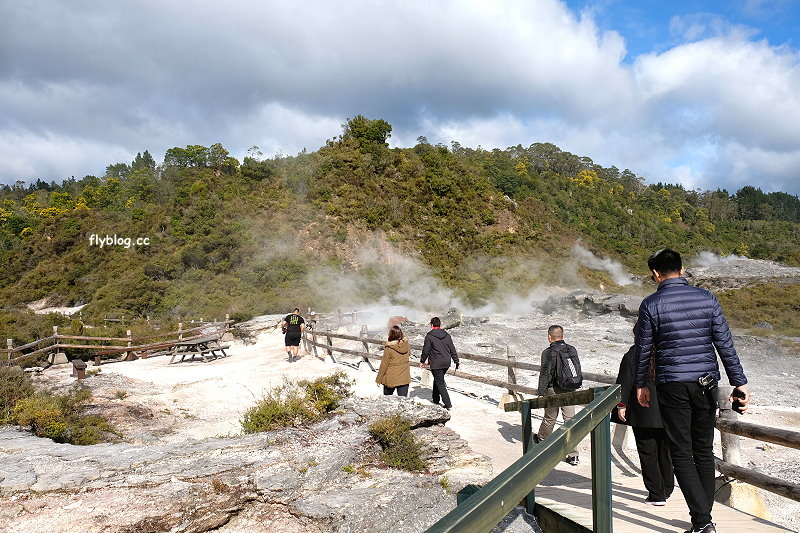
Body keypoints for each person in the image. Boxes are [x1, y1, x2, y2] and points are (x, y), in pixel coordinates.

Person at [634, 249, 750, 533]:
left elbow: (643, 349)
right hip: (705, 384)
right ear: (683, 269)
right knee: (702, 449)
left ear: (655, 274)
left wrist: (639, 384)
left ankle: (702, 521)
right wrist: (739, 381)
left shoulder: (651, 304)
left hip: (671, 384)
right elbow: (724, 343)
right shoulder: (707, 298)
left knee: (682, 452)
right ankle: (704, 517)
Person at [615, 338, 674, 505]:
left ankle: (657, 494)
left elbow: (624, 382)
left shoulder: (633, 354)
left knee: (648, 452)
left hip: (643, 411)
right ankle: (667, 488)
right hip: (667, 410)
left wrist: (621, 405)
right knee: (665, 450)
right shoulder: (666, 352)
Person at [535, 325, 581, 466]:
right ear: (563, 336)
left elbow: (545, 374)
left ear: (549, 337)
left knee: (550, 417)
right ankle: (573, 455)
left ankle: (543, 444)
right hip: (570, 388)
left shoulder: (548, 352)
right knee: (570, 420)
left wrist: (541, 393)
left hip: (553, 389)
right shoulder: (572, 349)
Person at [420, 317, 459, 409]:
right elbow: (452, 348)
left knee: (440, 382)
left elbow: (426, 350)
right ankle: (435, 398)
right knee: (438, 379)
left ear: (432, 325)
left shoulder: (429, 336)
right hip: (446, 362)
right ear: (440, 325)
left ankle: (447, 403)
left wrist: (422, 361)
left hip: (436, 363)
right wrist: (456, 360)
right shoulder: (447, 335)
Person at [376, 325, 411, 396]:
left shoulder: (389, 348)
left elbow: (384, 364)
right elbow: (409, 354)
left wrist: (379, 379)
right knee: (403, 402)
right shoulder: (406, 345)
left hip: (391, 378)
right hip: (404, 378)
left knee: (387, 400)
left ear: (391, 335)